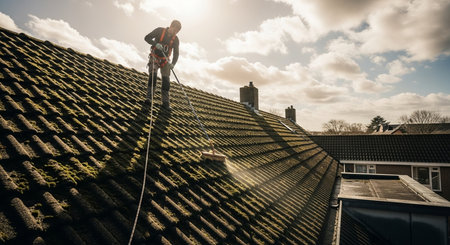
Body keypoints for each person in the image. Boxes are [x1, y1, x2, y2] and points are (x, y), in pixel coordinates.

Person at [144, 20, 181, 110]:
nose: (174, 33)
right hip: (155, 56)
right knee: (153, 75)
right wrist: (155, 44)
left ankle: (165, 102)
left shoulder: (175, 39)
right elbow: (147, 38)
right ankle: (149, 98)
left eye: (176, 32)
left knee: (166, 80)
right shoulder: (160, 30)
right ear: (171, 26)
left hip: (165, 60)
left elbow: (176, 53)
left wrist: (173, 64)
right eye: (174, 30)